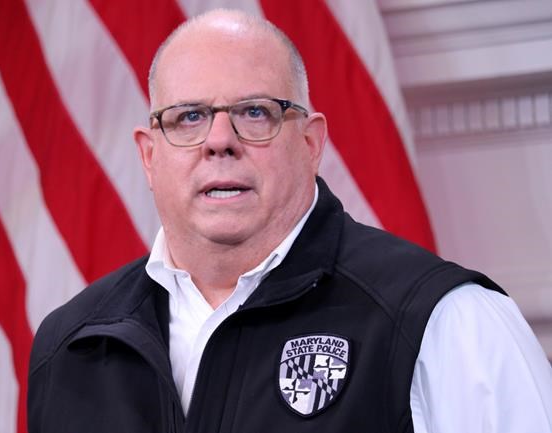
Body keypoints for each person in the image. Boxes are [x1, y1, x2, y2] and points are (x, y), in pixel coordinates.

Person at [27, 9, 552, 433]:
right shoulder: (72, 346)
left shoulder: (445, 320)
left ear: (311, 142)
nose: (219, 141)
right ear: (149, 156)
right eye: (189, 117)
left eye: (255, 112)